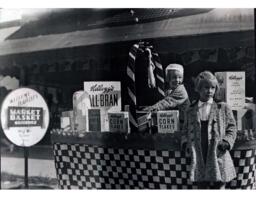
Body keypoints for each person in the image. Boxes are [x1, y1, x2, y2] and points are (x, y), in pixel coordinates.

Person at [182, 71, 237, 189]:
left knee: (220, 182)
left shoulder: (223, 108)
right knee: (202, 184)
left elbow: (232, 127)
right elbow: (185, 130)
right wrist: (185, 143)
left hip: (217, 151)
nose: (210, 91)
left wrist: (227, 141)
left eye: (213, 88)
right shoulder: (190, 110)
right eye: (206, 87)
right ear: (198, 88)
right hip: (199, 151)